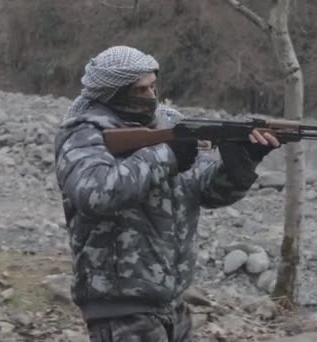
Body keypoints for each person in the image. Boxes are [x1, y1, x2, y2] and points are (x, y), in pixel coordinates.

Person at [54, 45, 280, 342]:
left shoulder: (168, 124)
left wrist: (244, 160)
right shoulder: (84, 133)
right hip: (120, 308)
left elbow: (207, 191)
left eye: (152, 86)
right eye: (140, 90)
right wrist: (166, 156)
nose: (151, 96)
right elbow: (95, 193)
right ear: (114, 93)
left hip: (171, 302)